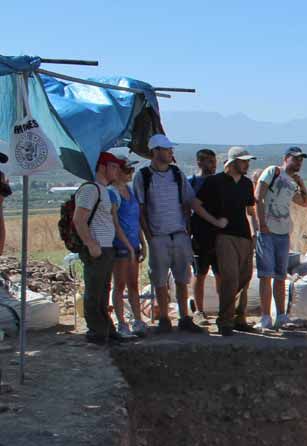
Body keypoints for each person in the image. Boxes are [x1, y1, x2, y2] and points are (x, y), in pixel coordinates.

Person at [134, 134, 222, 333]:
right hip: (158, 236)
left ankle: (184, 318)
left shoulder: (177, 174)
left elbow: (189, 201)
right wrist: (148, 236)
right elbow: (140, 208)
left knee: (183, 278)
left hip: (179, 234)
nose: (171, 152)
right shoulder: (143, 176)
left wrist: (189, 228)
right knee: (159, 280)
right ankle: (164, 319)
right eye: (167, 149)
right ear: (155, 151)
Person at [73, 152, 138, 344]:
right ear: (103, 167)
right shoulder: (90, 189)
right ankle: (97, 332)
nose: (118, 170)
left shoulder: (104, 190)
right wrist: (91, 244)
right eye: (114, 166)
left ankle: (106, 330)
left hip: (107, 247)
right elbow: (79, 219)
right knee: (94, 291)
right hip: (97, 247)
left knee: (103, 291)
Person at [196, 147, 255, 336]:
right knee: (230, 278)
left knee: (244, 278)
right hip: (224, 236)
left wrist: (256, 232)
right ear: (232, 162)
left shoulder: (246, 183)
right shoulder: (214, 182)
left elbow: (250, 209)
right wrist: (215, 222)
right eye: (243, 161)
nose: (247, 164)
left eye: (248, 161)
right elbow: (195, 205)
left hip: (245, 235)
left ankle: (239, 318)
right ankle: (225, 321)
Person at [255, 147, 307, 330]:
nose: (298, 163)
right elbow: (258, 196)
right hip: (268, 231)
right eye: (295, 159)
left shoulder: (292, 182)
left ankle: (281, 316)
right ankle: (265, 317)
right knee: (265, 275)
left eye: (301, 160)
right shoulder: (273, 172)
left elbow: (304, 202)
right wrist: (261, 224)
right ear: (286, 159)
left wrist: (301, 184)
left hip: (283, 233)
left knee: (280, 276)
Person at [111, 159, 147, 338]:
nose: (131, 173)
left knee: (133, 284)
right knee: (119, 285)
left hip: (133, 243)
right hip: (120, 246)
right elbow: (115, 223)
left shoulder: (130, 191)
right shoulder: (112, 193)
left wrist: (142, 243)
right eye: (127, 169)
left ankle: (138, 320)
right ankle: (121, 323)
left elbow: (136, 220)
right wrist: (127, 245)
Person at [189, 148, 219, 322]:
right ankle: (199, 311)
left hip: (219, 234)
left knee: (220, 273)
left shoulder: (219, 182)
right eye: (209, 161)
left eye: (214, 162)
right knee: (200, 273)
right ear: (199, 162)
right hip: (200, 234)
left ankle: (224, 309)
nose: (213, 165)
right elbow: (187, 208)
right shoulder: (191, 182)